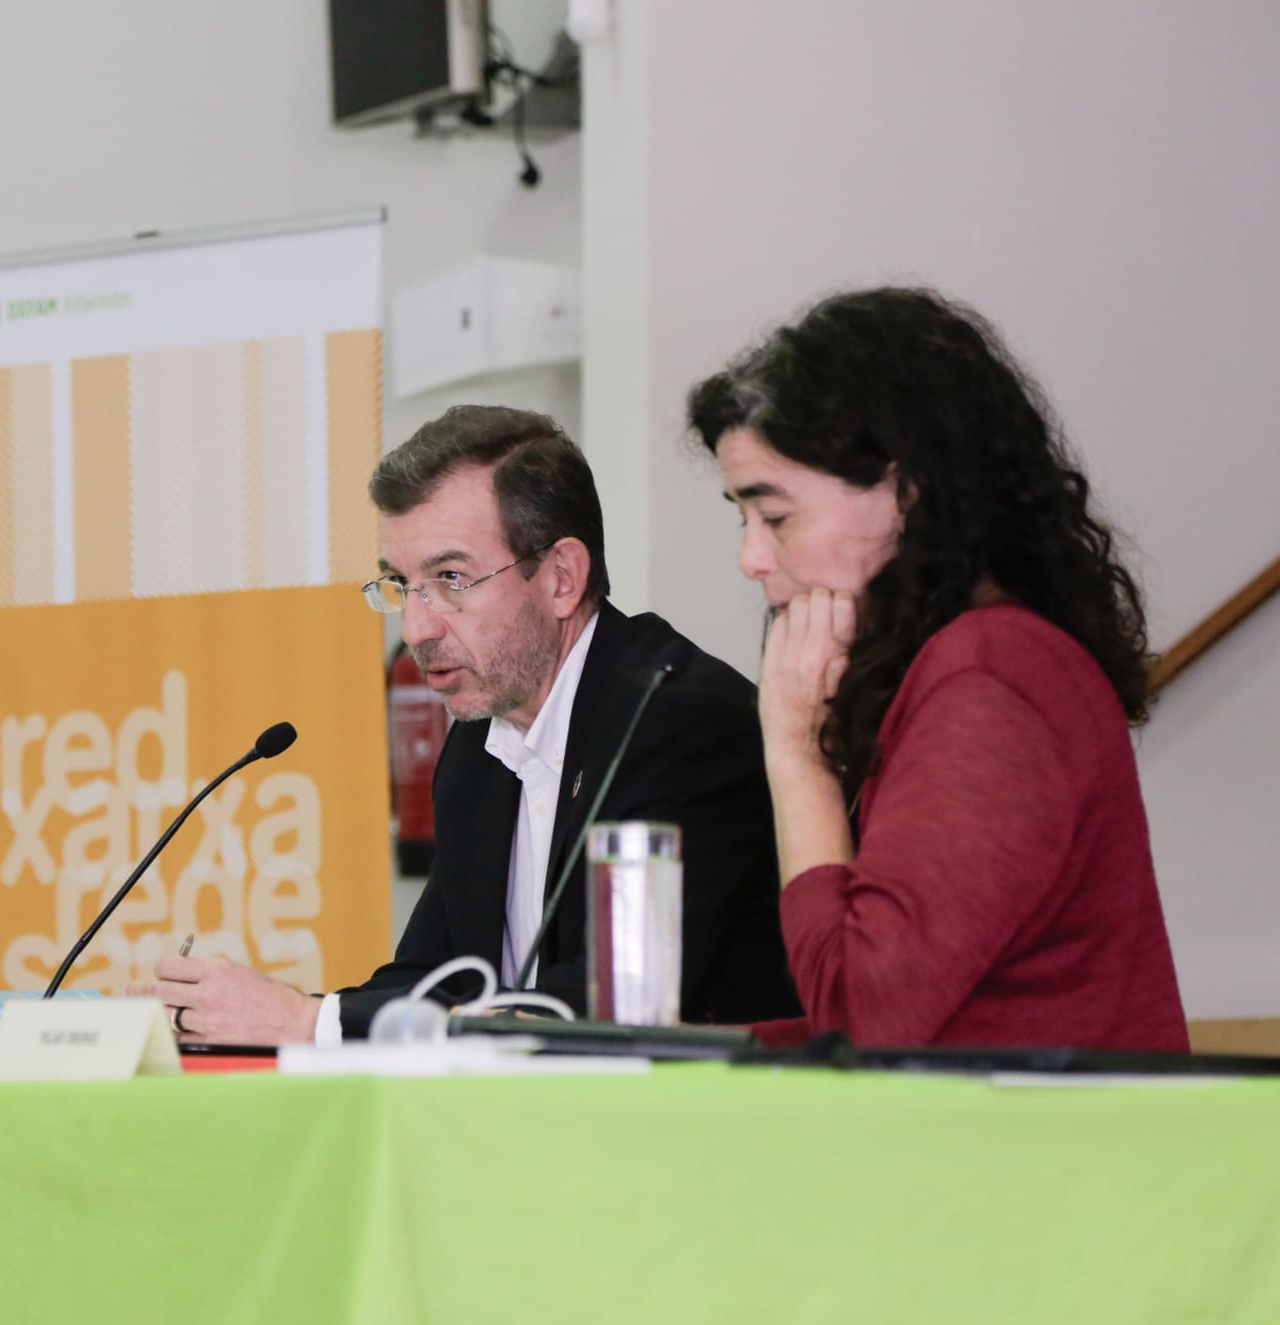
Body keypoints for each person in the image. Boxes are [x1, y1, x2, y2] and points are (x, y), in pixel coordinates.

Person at [145, 405, 798, 1043]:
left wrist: (307, 1022)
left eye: (451, 578)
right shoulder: (478, 746)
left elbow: (609, 1010)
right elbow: (432, 979)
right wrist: (262, 1018)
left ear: (561, 578)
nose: (417, 627)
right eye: (402, 584)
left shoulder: (679, 723)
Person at [687, 286, 1188, 1051]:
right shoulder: (969, 663)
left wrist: (796, 753)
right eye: (742, 517)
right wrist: (670, 1044)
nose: (751, 557)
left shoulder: (989, 679)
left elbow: (863, 1016)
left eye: (776, 516)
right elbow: (919, 1015)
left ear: (905, 488)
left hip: (1048, 1128)